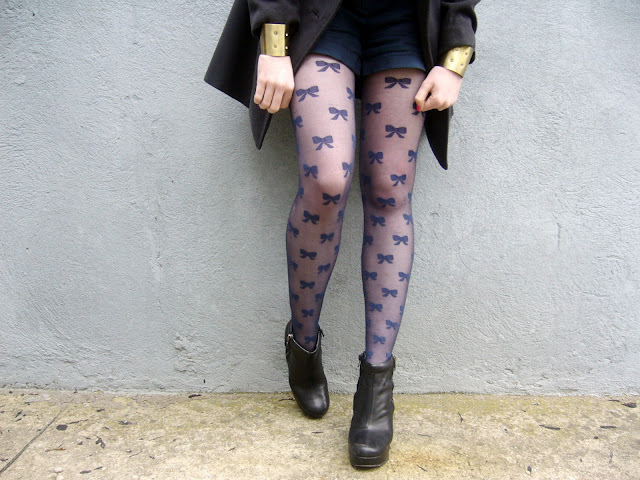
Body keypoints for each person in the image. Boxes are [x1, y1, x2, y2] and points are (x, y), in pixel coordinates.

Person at [205, 0, 479, 468]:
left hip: (406, 23)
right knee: (327, 181)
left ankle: (376, 388)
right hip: (320, 16)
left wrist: (456, 53)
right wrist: (273, 39)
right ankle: (302, 344)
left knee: (390, 191)